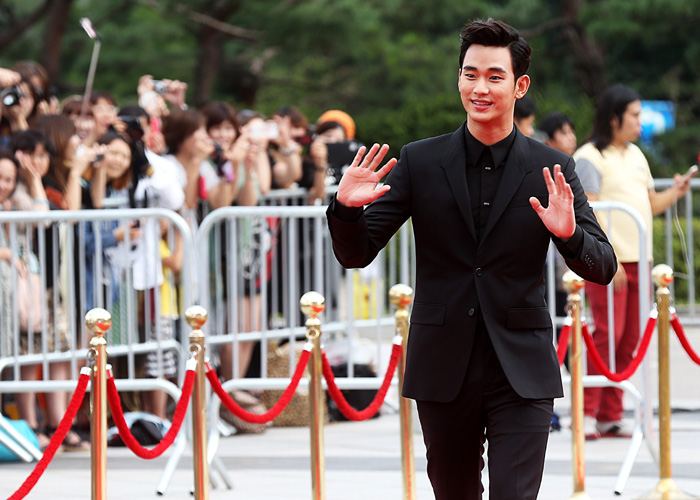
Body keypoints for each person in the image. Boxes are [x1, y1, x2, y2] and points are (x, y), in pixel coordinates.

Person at [326, 19, 617, 499]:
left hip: (521, 366)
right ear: (459, 76)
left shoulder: (552, 167)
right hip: (443, 364)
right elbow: (355, 254)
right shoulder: (420, 161)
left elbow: (602, 265)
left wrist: (568, 235)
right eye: (470, 74)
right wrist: (345, 210)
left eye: (495, 76)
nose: (480, 87)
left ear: (520, 85)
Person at [573, 84, 695, 440]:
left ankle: (610, 415)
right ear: (614, 118)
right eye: (635, 115)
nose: (641, 122)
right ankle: (587, 412)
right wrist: (606, 258)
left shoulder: (637, 155)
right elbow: (588, 212)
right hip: (609, 263)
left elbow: (651, 205)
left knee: (629, 341)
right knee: (606, 335)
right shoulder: (589, 157)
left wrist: (677, 191)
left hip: (640, 260)